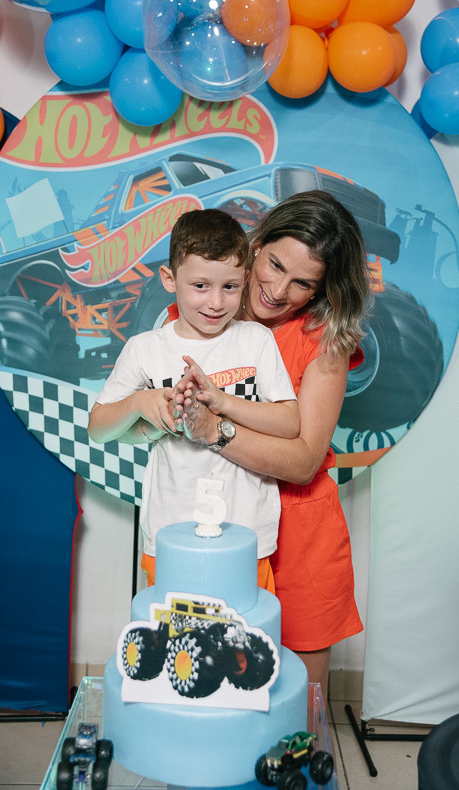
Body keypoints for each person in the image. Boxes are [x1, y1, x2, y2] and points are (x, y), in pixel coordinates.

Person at [170, 190, 370, 703]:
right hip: (214, 517)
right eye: (275, 264)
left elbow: (303, 461)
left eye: (303, 282)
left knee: (299, 710)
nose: (279, 290)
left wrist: (215, 429)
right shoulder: (201, 311)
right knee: (205, 681)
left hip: (299, 530)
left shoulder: (325, 336)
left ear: (324, 286)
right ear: (255, 244)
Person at [87, 207, 300, 592]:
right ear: (169, 279)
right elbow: (98, 428)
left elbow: (290, 423)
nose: (216, 302)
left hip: (247, 532)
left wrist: (221, 402)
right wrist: (142, 404)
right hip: (170, 529)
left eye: (230, 287)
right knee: (175, 642)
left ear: (245, 279)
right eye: (200, 286)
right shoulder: (145, 349)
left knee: (243, 641)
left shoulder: (255, 339)